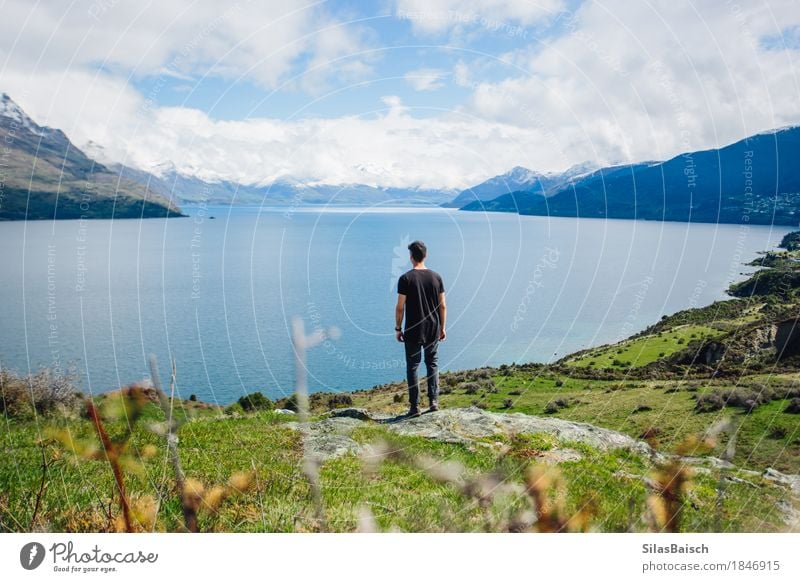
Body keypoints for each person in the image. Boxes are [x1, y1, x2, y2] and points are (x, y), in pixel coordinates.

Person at [395, 240, 446, 417]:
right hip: (433, 327)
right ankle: (433, 402)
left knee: (413, 367)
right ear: (426, 255)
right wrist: (442, 327)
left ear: (411, 258)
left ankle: (415, 407)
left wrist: (398, 328)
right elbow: (443, 306)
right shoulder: (436, 277)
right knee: (432, 363)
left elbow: (400, 307)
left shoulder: (405, 279)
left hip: (413, 329)